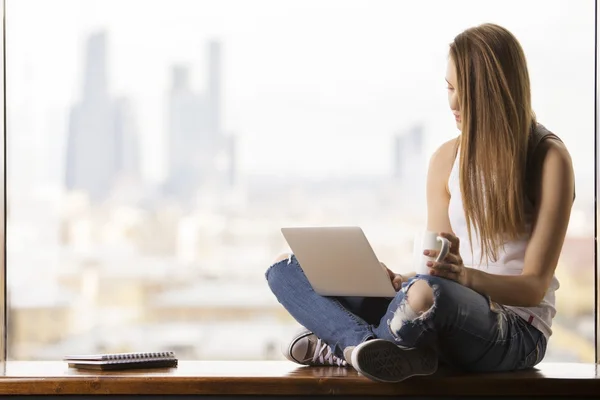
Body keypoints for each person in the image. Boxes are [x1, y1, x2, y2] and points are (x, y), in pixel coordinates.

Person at [265, 23, 575, 383]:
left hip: (517, 330)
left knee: (429, 294)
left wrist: (459, 278)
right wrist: (399, 280)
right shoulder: (445, 159)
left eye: (465, 90)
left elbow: (533, 286)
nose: (454, 102)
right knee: (286, 268)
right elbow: (437, 269)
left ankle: (341, 346)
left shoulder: (548, 157)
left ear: (494, 91)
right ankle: (359, 347)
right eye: (449, 88)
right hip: (440, 305)